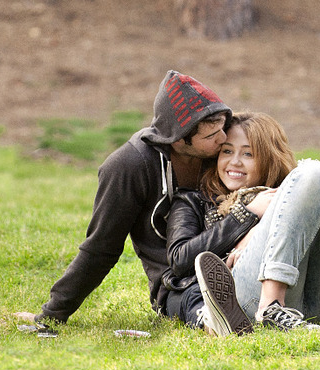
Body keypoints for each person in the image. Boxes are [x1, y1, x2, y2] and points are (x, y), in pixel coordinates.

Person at [15, 70, 232, 325]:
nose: (224, 138)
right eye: (211, 135)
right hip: (180, 285)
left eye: (223, 127)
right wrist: (52, 314)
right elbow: (101, 248)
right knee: (194, 298)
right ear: (178, 139)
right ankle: (212, 317)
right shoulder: (129, 166)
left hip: (240, 260)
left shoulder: (228, 147)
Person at [166, 111, 320, 335]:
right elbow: (179, 260)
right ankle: (272, 307)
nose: (234, 162)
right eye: (227, 151)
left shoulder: (297, 192)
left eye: (248, 154)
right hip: (248, 297)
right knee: (313, 170)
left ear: (269, 159)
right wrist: (247, 216)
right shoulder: (194, 200)